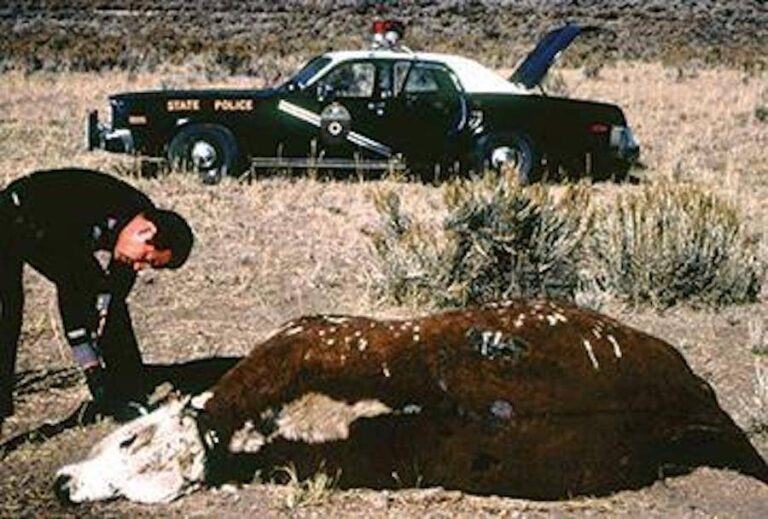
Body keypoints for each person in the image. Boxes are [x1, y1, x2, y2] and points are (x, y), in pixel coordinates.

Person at [0, 169, 194, 433]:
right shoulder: (99, 209)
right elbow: (72, 287)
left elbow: (111, 303)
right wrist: (91, 366)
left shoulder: (135, 228)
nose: (139, 268)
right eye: (146, 259)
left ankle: (126, 391)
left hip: (57, 234)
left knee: (109, 299)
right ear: (145, 230)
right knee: (8, 311)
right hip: (18, 214)